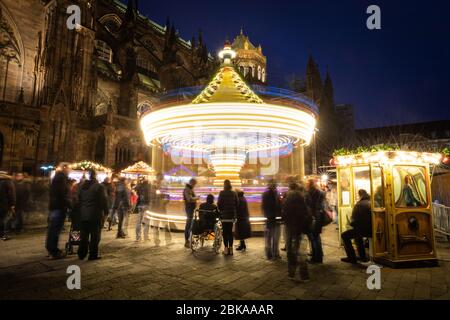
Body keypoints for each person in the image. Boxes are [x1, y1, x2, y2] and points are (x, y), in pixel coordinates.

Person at [282, 180, 311, 281]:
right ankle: (304, 276)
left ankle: (291, 273)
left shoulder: (287, 199)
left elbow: (284, 214)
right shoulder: (302, 199)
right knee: (302, 252)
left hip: (290, 228)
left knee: (290, 251)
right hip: (300, 228)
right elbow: (306, 215)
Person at [77, 169, 109, 260]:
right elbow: (104, 201)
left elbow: (78, 199)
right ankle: (92, 254)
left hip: (83, 214)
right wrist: (106, 212)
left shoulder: (82, 186)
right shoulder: (99, 187)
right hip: (95, 214)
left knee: (84, 235)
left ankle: (81, 253)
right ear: (96, 176)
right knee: (95, 236)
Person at [46, 163, 71, 259]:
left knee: (53, 229)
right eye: (68, 168)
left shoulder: (57, 177)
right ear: (64, 168)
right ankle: (53, 251)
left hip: (55, 206)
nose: (69, 170)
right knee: (55, 230)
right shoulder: (61, 178)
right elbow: (62, 194)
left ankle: (51, 249)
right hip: (58, 207)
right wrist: (69, 204)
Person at [341, 189, 372, 264]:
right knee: (358, 236)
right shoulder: (372, 202)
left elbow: (354, 219)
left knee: (345, 236)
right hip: (372, 228)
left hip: (363, 230)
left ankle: (351, 257)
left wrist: (351, 224)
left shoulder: (359, 204)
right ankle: (362, 257)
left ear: (360, 195)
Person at [305, 179, 325, 264]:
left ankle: (315, 258)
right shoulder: (320, 192)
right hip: (319, 215)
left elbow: (309, 205)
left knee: (313, 237)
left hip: (313, 216)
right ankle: (319, 256)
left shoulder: (310, 192)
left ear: (309, 184)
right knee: (317, 236)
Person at [262, 179, 282, 260]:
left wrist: (266, 215)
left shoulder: (265, 194)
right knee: (275, 238)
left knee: (269, 237)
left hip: (269, 218)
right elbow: (279, 206)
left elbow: (263, 206)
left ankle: (269, 254)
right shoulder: (276, 194)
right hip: (275, 219)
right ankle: (275, 253)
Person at [218, 180, 239, 255]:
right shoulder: (234, 193)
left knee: (225, 232)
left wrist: (221, 211)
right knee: (230, 232)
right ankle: (231, 249)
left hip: (224, 216)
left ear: (224, 185)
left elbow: (219, 204)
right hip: (231, 216)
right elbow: (237, 204)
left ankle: (226, 249)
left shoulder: (221, 193)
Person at [183, 178, 199, 248]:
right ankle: (186, 240)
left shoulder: (190, 189)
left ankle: (188, 240)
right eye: (194, 184)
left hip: (191, 209)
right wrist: (196, 198)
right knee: (188, 224)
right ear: (192, 183)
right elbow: (189, 199)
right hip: (189, 209)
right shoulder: (187, 189)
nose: (195, 186)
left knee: (190, 224)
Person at [0, 171, 16, 241]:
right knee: (6, 219)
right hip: (5, 204)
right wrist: (12, 204)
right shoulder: (8, 181)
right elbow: (11, 194)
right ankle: (5, 235)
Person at [135, 178, 151, 242]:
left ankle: (138, 238)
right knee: (147, 221)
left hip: (140, 205)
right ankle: (146, 237)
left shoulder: (139, 186)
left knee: (138, 222)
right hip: (147, 205)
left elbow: (136, 190)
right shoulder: (150, 187)